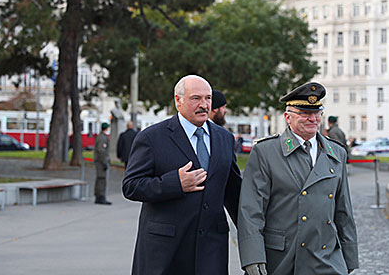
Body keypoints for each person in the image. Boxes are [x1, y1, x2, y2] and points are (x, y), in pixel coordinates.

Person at [122, 75, 242, 275]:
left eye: (208, 98)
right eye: (196, 98)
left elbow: (234, 194)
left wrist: (255, 239)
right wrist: (175, 183)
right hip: (166, 251)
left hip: (211, 250)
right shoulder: (151, 138)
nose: (204, 105)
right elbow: (131, 186)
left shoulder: (225, 139)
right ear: (178, 101)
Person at [238, 82, 359, 275]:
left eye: (317, 113)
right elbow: (251, 210)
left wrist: (350, 255)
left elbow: (343, 210)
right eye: (304, 113)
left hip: (325, 257)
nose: (312, 119)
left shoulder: (336, 152)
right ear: (288, 117)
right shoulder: (266, 152)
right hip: (281, 257)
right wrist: (253, 256)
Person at [94, 122, 112, 205]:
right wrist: (105, 162)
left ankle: (99, 195)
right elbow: (101, 151)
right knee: (102, 179)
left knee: (100, 179)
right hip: (101, 161)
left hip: (100, 160)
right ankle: (100, 196)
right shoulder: (103, 138)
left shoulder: (101, 137)